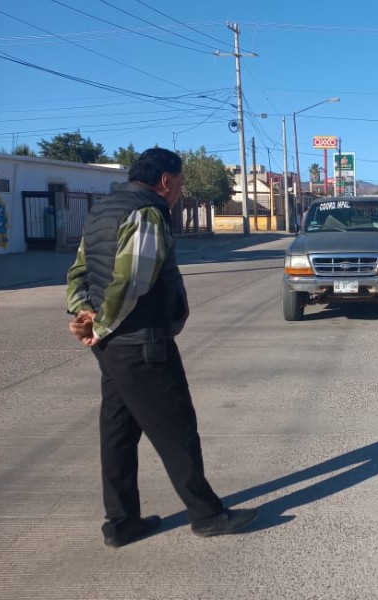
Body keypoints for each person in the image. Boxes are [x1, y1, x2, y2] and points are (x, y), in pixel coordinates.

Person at [66, 148, 258, 548]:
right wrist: (99, 325)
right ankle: (207, 516)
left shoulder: (103, 210)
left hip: (113, 347)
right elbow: (132, 280)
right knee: (178, 431)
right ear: (166, 181)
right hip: (142, 342)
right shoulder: (147, 212)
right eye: (181, 183)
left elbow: (79, 270)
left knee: (117, 432)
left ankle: (121, 523)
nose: (179, 192)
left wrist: (84, 312)